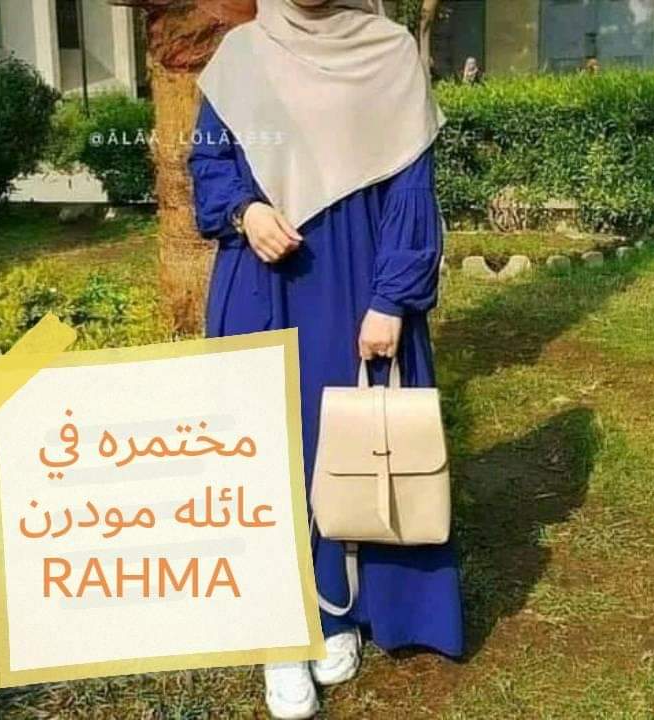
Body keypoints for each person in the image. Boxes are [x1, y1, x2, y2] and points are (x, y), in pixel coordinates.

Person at [188, 2, 464, 718]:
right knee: (265, 448)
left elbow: (411, 186)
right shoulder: (241, 53)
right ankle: (281, 632)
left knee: (351, 443)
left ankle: (340, 609)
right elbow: (210, 162)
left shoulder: (388, 50)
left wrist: (393, 298)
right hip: (260, 280)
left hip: (355, 276)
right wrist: (245, 211)